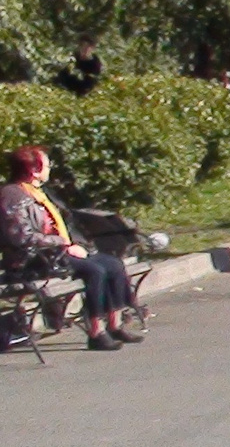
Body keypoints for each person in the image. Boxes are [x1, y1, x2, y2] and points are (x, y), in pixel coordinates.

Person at [1, 146, 143, 351]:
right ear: (33, 169)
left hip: (51, 253)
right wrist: (62, 244)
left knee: (113, 264)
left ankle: (114, 325)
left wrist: (69, 244)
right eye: (47, 164)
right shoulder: (12, 195)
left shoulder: (35, 192)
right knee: (95, 270)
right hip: (30, 259)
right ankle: (96, 332)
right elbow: (22, 237)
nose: (50, 168)